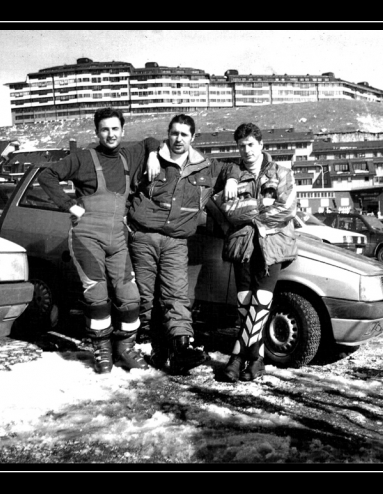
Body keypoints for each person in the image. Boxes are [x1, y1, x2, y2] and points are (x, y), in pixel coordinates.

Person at [37, 107, 160, 374]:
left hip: (117, 238)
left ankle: (125, 349)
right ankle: (102, 351)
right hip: (86, 238)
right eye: (105, 129)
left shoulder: (129, 155)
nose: (110, 134)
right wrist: (68, 205)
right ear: (97, 132)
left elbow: (152, 140)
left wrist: (152, 155)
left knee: (130, 298)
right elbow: (46, 176)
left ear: (123, 131)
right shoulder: (82, 159)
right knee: (98, 298)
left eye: (115, 128)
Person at [126, 114, 239, 375]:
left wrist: (231, 180)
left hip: (177, 242)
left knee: (176, 296)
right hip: (144, 237)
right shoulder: (151, 156)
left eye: (184, 135)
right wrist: (154, 152)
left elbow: (231, 168)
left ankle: (181, 350)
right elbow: (141, 147)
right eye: (174, 133)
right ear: (168, 134)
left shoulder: (204, 167)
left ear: (193, 138)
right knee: (146, 297)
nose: (178, 139)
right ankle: (155, 349)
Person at [215, 122, 298, 382]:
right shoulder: (233, 175)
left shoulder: (281, 172)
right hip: (243, 247)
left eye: (251, 144)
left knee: (260, 306)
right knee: (245, 307)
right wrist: (260, 205)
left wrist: (249, 209)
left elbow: (286, 210)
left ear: (261, 145)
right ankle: (256, 360)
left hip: (271, 248)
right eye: (242, 146)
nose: (247, 150)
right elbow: (229, 211)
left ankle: (237, 357)